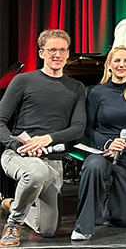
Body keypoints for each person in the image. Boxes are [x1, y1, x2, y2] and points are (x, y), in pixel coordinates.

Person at [0, 30, 86, 247]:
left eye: (62, 50)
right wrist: (16, 145)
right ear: (41, 53)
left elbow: (78, 128)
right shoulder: (23, 81)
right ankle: (13, 224)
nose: (57, 54)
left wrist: (47, 138)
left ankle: (11, 204)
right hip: (19, 154)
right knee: (36, 171)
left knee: (47, 230)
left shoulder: (76, 87)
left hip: (53, 160)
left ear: (68, 53)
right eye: (52, 50)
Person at [71, 46, 126, 241]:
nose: (121, 65)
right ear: (108, 65)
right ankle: (82, 227)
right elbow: (88, 127)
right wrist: (108, 143)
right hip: (103, 151)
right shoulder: (96, 92)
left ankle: (106, 205)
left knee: (123, 219)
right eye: (116, 60)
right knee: (92, 167)